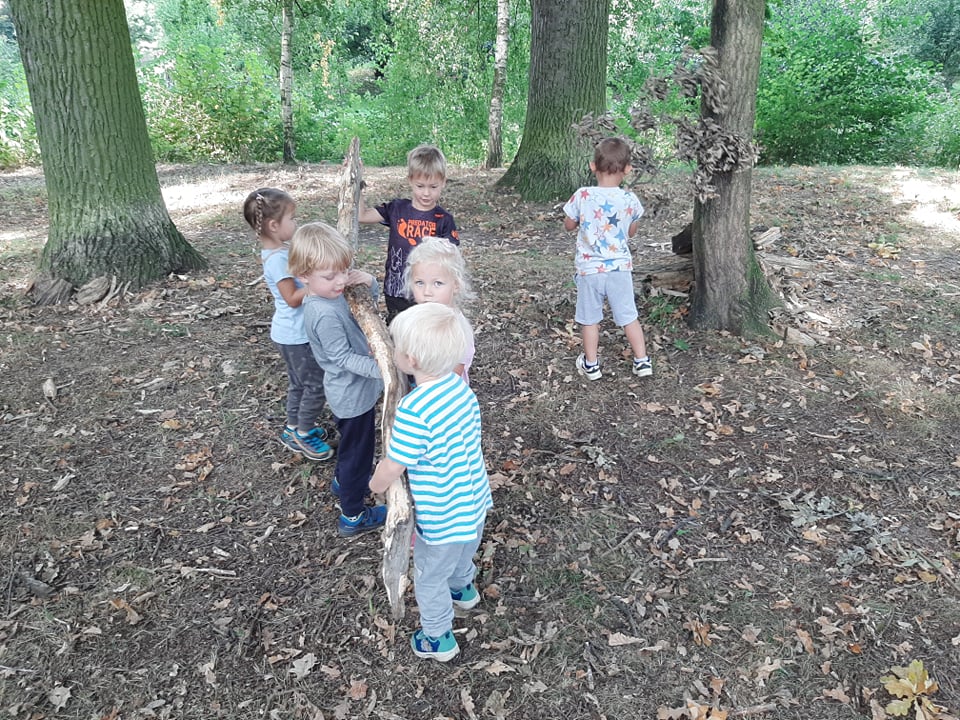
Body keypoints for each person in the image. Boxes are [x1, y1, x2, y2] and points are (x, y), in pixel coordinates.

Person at [370, 303, 492, 662]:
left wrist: (376, 483)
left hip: (442, 515)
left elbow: (396, 463)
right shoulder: (459, 388)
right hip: (473, 500)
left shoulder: (415, 410)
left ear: (410, 359)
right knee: (463, 551)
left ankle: (438, 638)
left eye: (396, 345)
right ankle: (464, 589)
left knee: (429, 576)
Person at [287, 222, 387, 538]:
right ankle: (353, 515)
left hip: (356, 392)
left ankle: (343, 482)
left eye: (344, 271)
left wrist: (370, 282)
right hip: (351, 396)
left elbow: (365, 306)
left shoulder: (332, 293)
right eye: (331, 276)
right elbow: (342, 359)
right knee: (359, 455)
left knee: (352, 446)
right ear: (304, 276)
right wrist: (384, 368)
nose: (341, 281)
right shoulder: (324, 313)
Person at [241, 187, 334, 461]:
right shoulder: (278, 260)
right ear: (273, 225)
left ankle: (293, 428)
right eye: (292, 219)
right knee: (316, 384)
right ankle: (303, 433)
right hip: (296, 337)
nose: (296, 223)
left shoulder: (280, 251)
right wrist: (315, 286)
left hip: (289, 334)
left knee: (299, 383)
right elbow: (292, 299)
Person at [562, 137, 653, 381]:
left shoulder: (583, 195)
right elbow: (631, 232)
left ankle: (591, 365)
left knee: (589, 319)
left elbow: (568, 225)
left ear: (593, 166)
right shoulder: (630, 199)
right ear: (628, 169)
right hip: (619, 269)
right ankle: (642, 361)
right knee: (628, 316)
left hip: (589, 270)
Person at [358, 144, 460, 324]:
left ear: (443, 182)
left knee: (424, 334)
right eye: (420, 186)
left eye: (433, 187)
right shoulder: (397, 209)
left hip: (428, 293)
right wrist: (356, 182)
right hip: (396, 290)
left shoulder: (443, 219)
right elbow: (362, 216)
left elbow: (451, 258)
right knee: (399, 332)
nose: (426, 193)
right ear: (410, 180)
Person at [403, 237, 476, 384]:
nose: (427, 292)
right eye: (420, 283)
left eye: (437, 283)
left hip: (442, 395)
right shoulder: (420, 316)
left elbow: (450, 380)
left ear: (456, 285)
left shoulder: (457, 330)